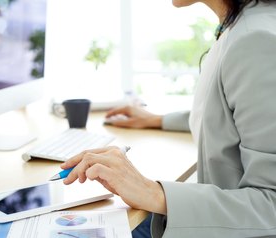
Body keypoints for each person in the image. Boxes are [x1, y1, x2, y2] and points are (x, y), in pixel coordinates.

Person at [60, 0, 276, 237]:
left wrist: (153, 193)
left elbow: (272, 206)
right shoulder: (244, 25)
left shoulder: (255, 41)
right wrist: (158, 120)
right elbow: (232, 116)